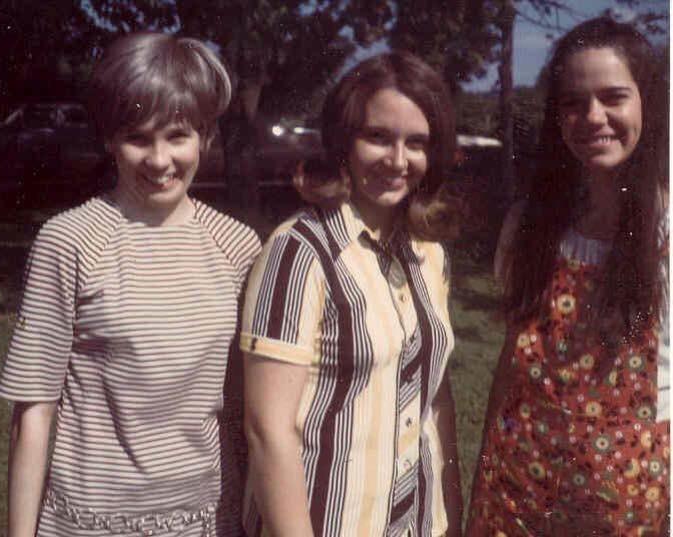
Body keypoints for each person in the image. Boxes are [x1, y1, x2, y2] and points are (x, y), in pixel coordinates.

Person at [0, 32, 260, 536]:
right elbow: (34, 410)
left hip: (207, 522)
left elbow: (253, 413)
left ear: (205, 136)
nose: (160, 161)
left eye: (177, 135)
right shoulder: (69, 241)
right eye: (139, 137)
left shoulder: (238, 246)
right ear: (109, 140)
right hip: (90, 523)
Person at [240, 51, 462, 537]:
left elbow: (433, 394)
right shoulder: (298, 251)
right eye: (378, 137)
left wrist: (451, 511)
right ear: (343, 141)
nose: (398, 161)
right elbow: (267, 432)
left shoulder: (429, 255)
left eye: (417, 143)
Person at [466, 17, 669, 536]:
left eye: (613, 97)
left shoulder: (667, 235)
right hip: (514, 501)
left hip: (624, 511)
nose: (593, 117)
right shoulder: (529, 227)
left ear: (647, 101)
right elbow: (509, 365)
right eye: (573, 103)